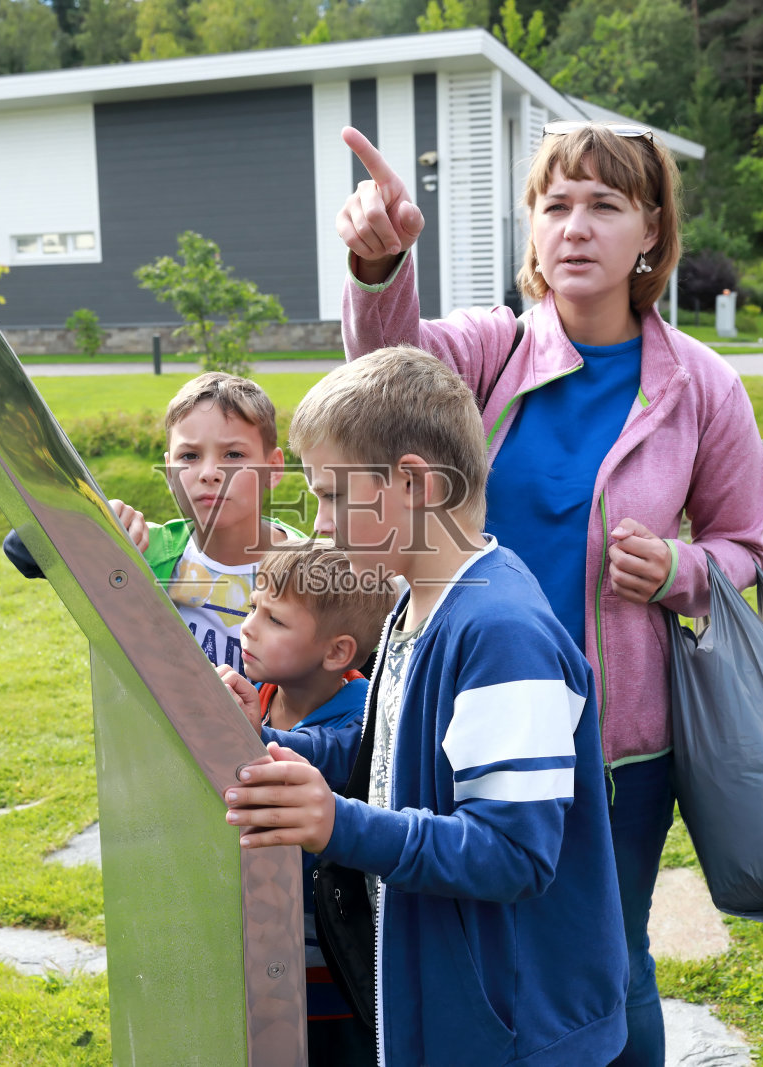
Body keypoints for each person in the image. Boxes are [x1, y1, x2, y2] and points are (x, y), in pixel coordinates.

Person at [333, 123, 763, 1066]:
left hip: (618, 744)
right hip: (468, 710)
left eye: (605, 205)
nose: (576, 227)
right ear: (531, 229)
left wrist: (682, 570)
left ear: (650, 231)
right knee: (478, 944)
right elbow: (389, 371)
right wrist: (380, 269)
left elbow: (745, 547)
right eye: (555, 204)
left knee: (609, 960)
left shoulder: (702, 387)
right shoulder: (495, 352)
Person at [224, 348, 629, 1067]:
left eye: (332, 495)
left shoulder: (502, 634)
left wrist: (338, 824)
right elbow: (391, 751)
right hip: (446, 1010)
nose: (319, 525)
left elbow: (512, 853)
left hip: (511, 1033)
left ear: (410, 484)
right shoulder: (420, 601)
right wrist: (268, 744)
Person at [217, 541, 398, 1066]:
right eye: (252, 607)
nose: (248, 626)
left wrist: (255, 735)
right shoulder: (266, 692)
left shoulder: (361, 713)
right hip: (264, 936)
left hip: (332, 957)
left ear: (338, 652)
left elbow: (331, 755)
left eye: (274, 618)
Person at [3, 372, 304, 675]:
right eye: (189, 456)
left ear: (273, 468)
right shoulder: (146, 549)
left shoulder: (314, 569)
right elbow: (21, 552)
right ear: (170, 472)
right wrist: (89, 521)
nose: (209, 473)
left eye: (234, 454)